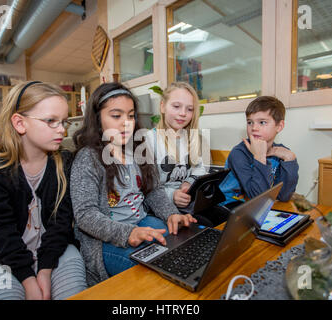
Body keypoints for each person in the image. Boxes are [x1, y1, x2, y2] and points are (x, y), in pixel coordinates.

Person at [0, 81, 87, 300]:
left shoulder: (65, 162)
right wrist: (28, 279)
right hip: (6, 258)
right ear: (19, 123)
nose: (62, 129)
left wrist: (44, 269)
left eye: (64, 122)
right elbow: (1, 231)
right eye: (51, 121)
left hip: (56, 251)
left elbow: (62, 222)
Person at [70, 82, 196, 286]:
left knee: (181, 245)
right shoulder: (88, 158)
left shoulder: (139, 148)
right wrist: (128, 233)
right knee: (153, 273)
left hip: (141, 222)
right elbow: (85, 215)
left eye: (130, 115)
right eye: (116, 116)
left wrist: (172, 214)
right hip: (105, 239)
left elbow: (153, 191)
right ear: (97, 118)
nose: (126, 123)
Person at [144, 82, 217, 225]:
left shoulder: (193, 139)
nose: (183, 113)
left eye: (189, 109)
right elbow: (147, 187)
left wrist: (188, 182)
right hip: (159, 209)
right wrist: (172, 195)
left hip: (188, 205)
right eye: (176, 106)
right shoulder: (147, 141)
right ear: (163, 106)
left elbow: (200, 168)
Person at [220, 95, 299, 209]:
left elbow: (284, 196)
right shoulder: (239, 153)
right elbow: (256, 199)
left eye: (262, 122)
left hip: (259, 206)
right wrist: (260, 157)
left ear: (279, 126)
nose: (254, 128)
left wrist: (290, 159)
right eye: (250, 122)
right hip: (229, 207)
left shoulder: (280, 152)